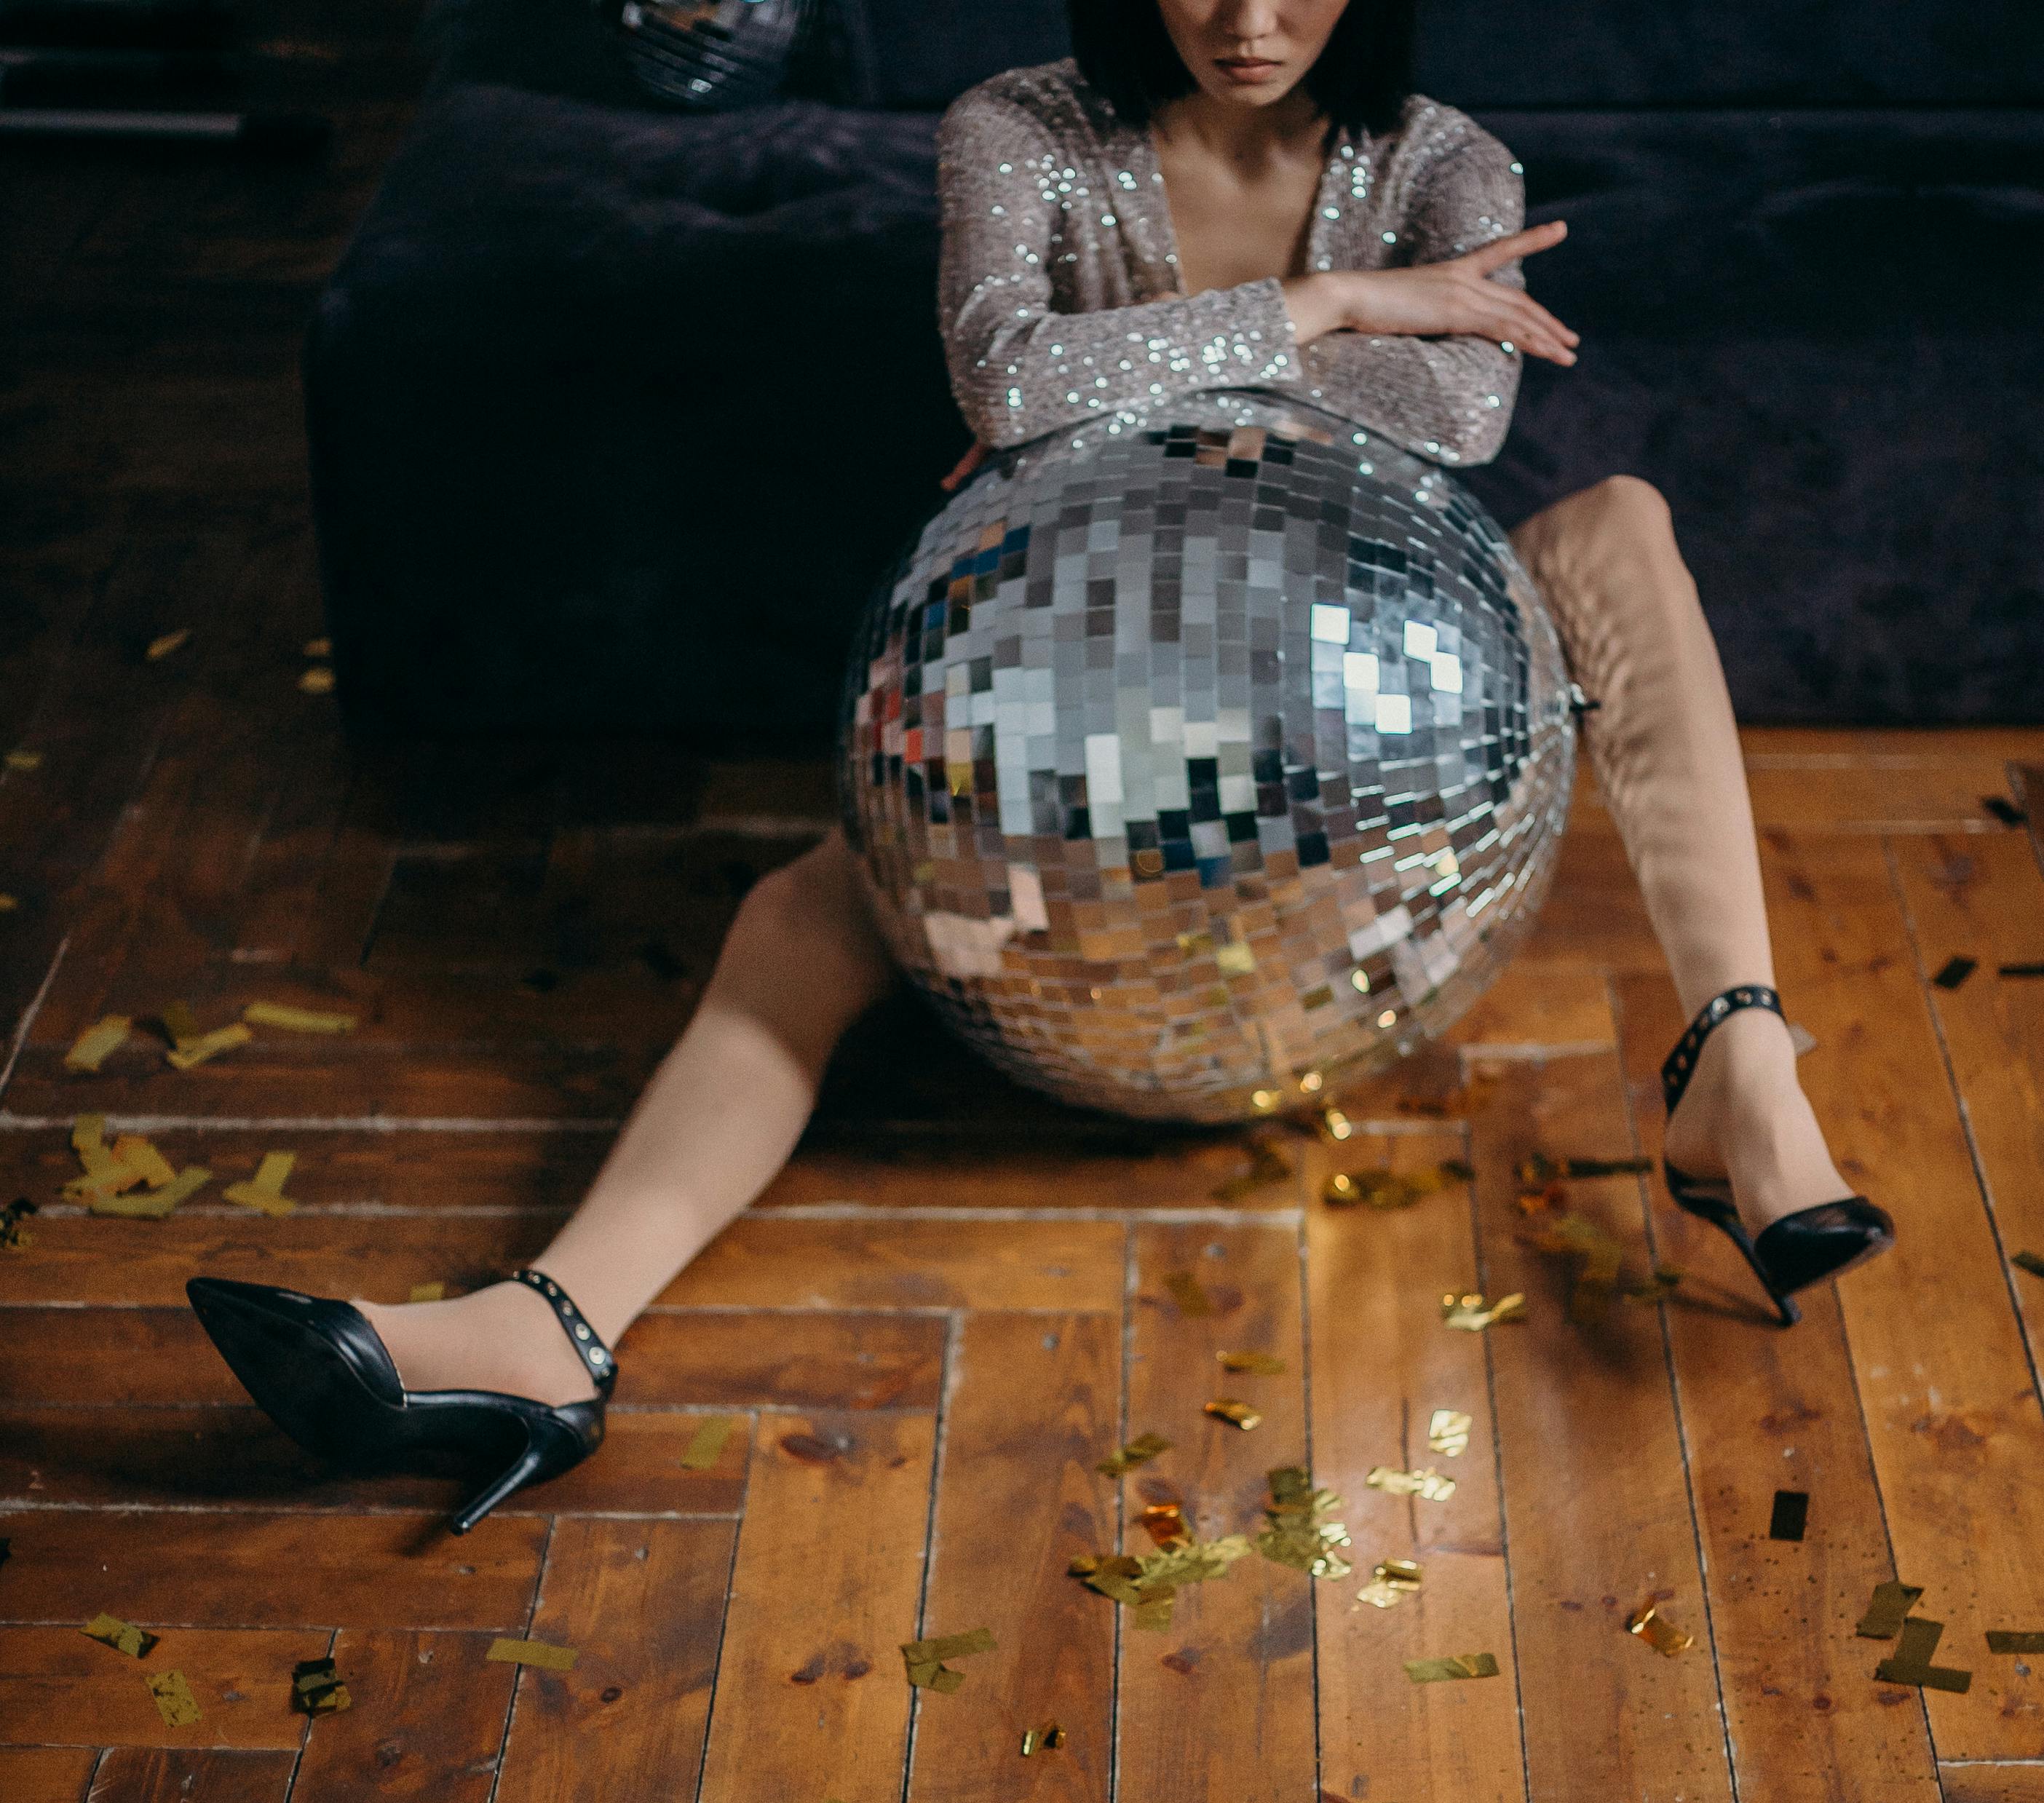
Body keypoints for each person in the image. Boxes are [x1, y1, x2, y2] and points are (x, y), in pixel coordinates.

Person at [187, 0, 1891, 1531]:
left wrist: (1117, 392)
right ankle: (551, 1330)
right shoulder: (1017, 128)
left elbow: (1455, 416)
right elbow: (1006, 377)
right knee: (805, 907)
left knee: (1619, 528)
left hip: (1355, 778)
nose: (1245, 18)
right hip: (1065, 760)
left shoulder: (1449, 162)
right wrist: (1327, 302)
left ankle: (1739, 1063)